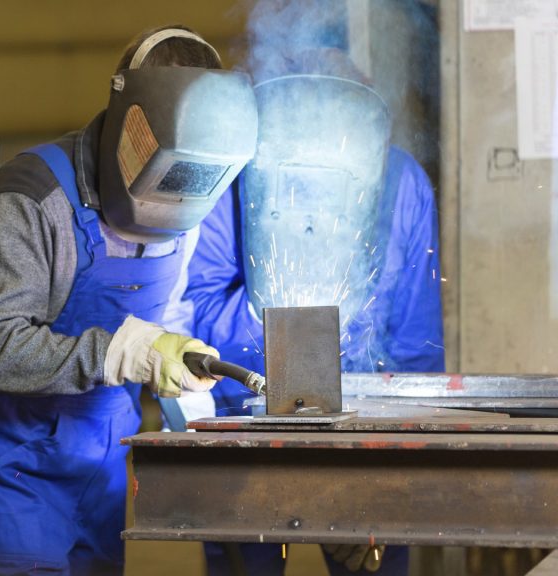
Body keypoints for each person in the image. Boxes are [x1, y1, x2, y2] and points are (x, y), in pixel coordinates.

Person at [0, 25, 259, 575]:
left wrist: (185, 392)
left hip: (104, 453)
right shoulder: (31, 200)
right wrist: (117, 353)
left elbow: (169, 311)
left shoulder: (193, 197)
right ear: (129, 122)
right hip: (13, 461)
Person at [181, 49, 444, 576]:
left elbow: (415, 340)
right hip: (247, 425)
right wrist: (282, 318)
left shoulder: (400, 180)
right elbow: (200, 310)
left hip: (364, 428)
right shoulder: (235, 172)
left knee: (372, 560)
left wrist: (398, 469)